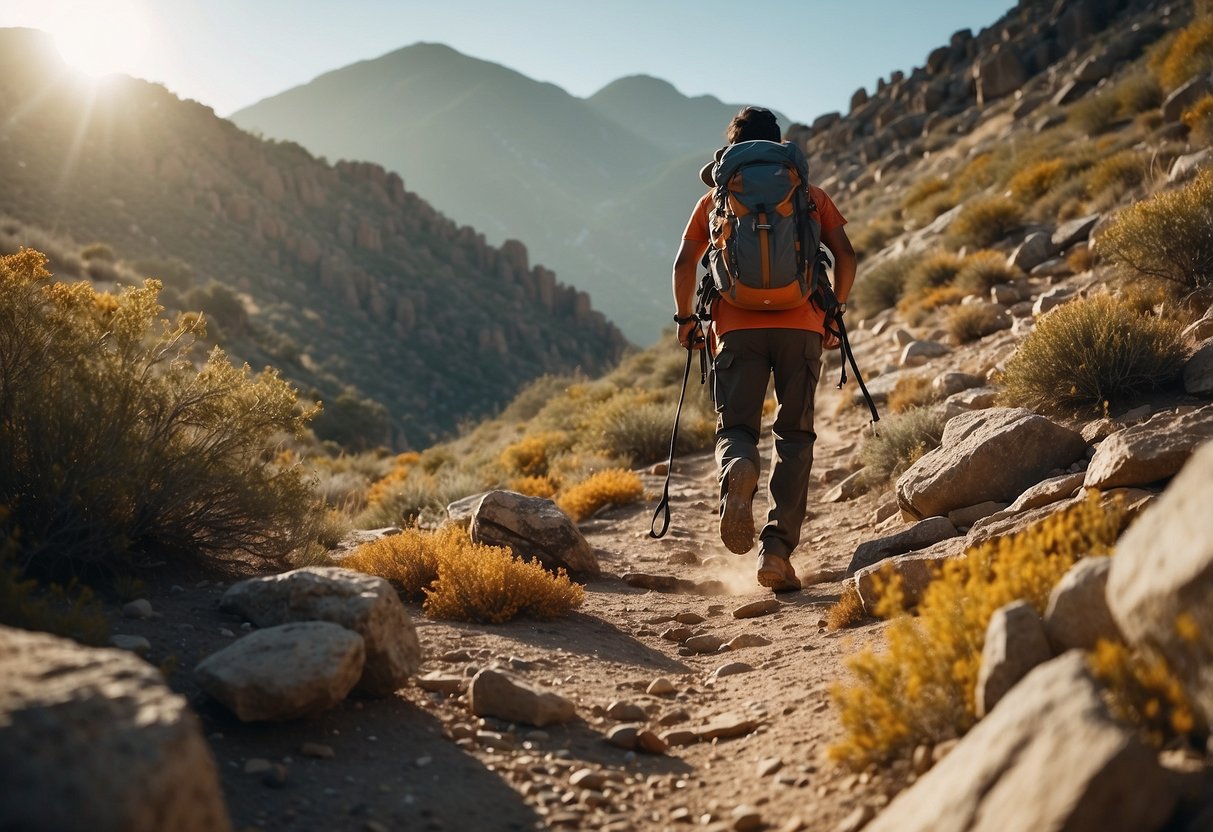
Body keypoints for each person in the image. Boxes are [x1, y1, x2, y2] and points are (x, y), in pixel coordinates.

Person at [671, 106, 856, 592]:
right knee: (794, 436)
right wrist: (833, 309)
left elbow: (683, 263)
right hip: (802, 325)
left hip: (735, 328)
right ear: (778, 145)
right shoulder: (809, 195)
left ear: (733, 147)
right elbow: (847, 256)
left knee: (736, 427)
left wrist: (687, 320)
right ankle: (775, 555)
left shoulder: (716, 198)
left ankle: (739, 468)